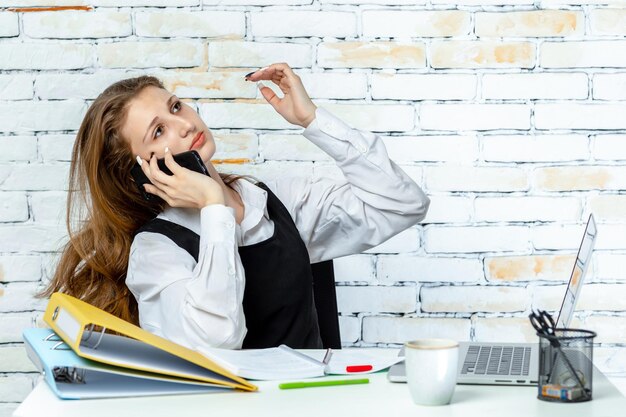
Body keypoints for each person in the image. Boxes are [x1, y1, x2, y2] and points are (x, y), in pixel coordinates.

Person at [42, 62, 430, 351]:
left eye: (176, 107)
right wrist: (215, 208)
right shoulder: (157, 249)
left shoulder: (273, 199)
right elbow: (216, 342)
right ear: (139, 171)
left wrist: (312, 120)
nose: (184, 126)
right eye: (157, 131)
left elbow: (402, 205)